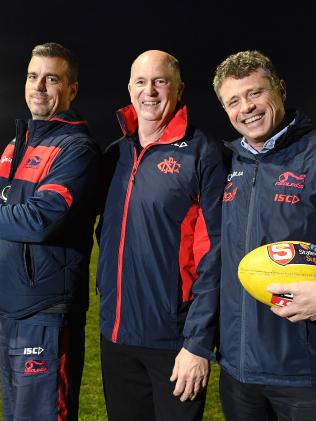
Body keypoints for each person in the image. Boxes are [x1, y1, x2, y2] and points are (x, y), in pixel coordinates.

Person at [97, 49, 226, 421]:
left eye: (160, 81)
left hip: (173, 344)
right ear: (129, 88)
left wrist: (198, 344)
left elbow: (214, 254)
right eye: (141, 81)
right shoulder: (116, 155)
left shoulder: (202, 154)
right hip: (115, 337)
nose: (149, 91)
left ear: (179, 87)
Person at [212, 50, 316, 421]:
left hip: (303, 374)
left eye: (255, 93)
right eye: (234, 101)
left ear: (281, 90)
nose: (247, 108)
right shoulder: (225, 164)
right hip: (238, 371)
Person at [0, 42, 101, 420]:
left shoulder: (77, 148)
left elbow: (40, 220)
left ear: (71, 89)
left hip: (45, 311)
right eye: (32, 76)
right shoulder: (16, 144)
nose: (38, 86)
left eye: (51, 78)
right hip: (11, 307)